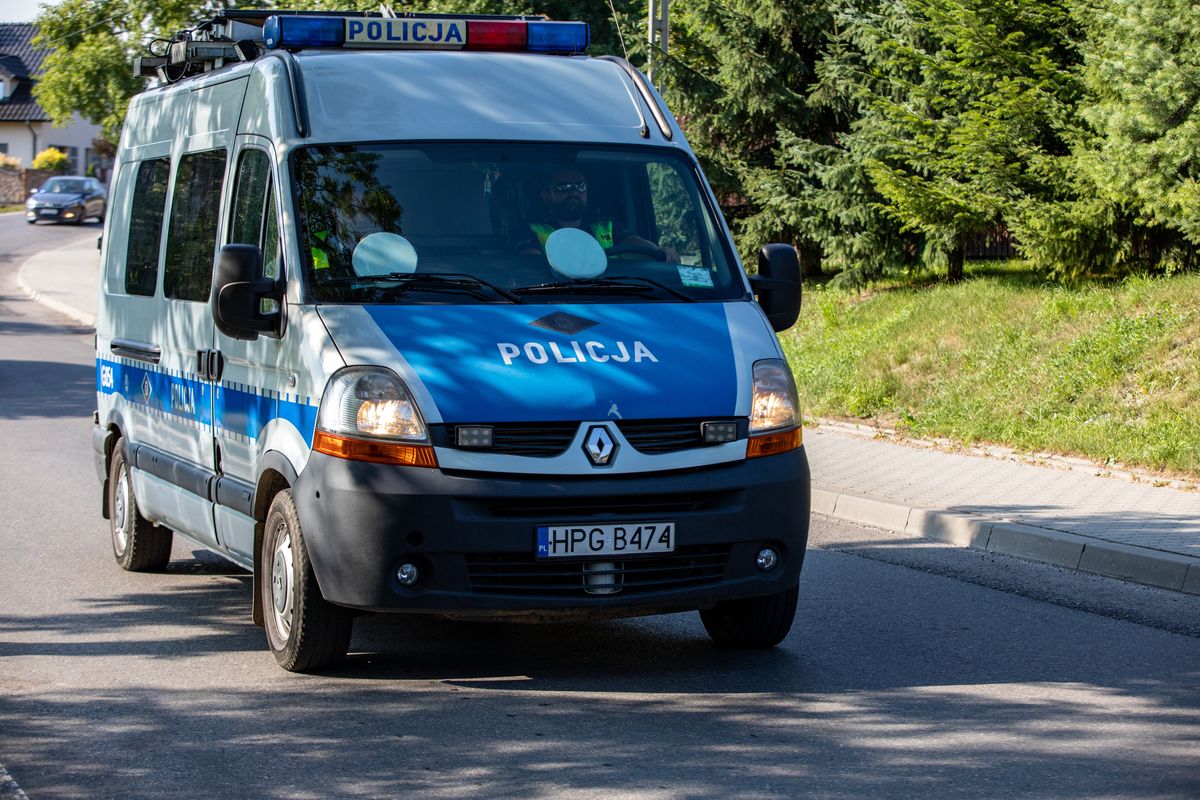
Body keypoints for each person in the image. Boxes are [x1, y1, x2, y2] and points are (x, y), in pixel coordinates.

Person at [518, 167, 680, 263]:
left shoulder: (606, 225)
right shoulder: (531, 229)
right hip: (553, 297)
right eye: (563, 186)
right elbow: (531, 264)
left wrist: (660, 251)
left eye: (580, 186)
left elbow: (634, 242)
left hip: (615, 296)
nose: (574, 192)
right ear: (546, 195)